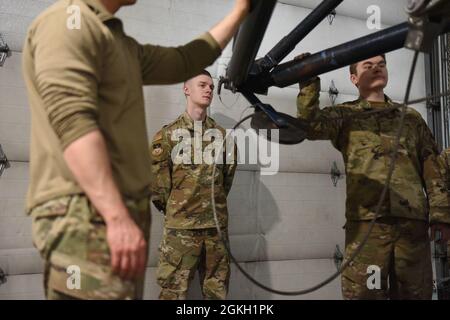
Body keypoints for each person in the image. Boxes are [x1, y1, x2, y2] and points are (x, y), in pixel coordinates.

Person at [23, 0, 250, 300]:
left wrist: (240, 13)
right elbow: (72, 121)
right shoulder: (70, 22)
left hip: (113, 217)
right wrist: (116, 217)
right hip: (90, 218)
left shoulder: (117, 42)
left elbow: (185, 59)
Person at [296, 53, 450, 299]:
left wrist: (441, 214)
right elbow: (310, 126)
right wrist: (308, 81)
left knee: (415, 294)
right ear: (354, 78)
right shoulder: (345, 116)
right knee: (366, 294)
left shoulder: (410, 118)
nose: (377, 68)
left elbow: (431, 166)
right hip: (368, 229)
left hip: (411, 228)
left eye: (381, 64)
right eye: (368, 65)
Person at [151, 70, 237, 299]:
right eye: (202, 85)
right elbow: (159, 189)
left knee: (217, 294)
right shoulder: (167, 135)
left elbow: (225, 181)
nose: (209, 89)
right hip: (180, 231)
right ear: (186, 89)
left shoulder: (223, 137)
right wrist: (181, 210)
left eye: (211, 86)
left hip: (215, 230)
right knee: (173, 293)